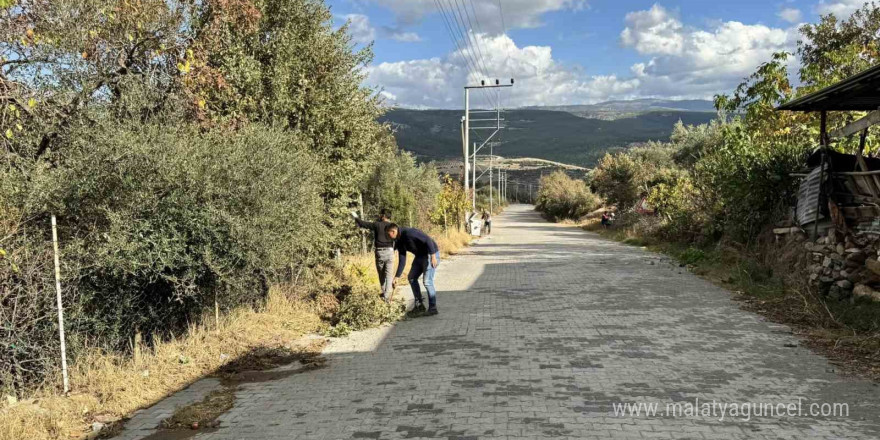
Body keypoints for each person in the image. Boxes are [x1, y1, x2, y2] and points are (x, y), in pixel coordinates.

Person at [387, 224, 440, 316]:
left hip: (430, 254)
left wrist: (433, 256)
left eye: (388, 235)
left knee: (427, 281)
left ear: (393, 232)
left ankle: (433, 308)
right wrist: (397, 276)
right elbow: (402, 258)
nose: (388, 238)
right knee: (411, 277)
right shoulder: (398, 240)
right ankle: (419, 305)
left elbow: (427, 239)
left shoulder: (409, 232)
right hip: (419, 256)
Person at [352, 209, 396, 302]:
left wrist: (355, 217)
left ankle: (385, 295)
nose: (379, 216)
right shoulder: (393, 226)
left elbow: (363, 224)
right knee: (389, 275)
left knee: (381, 275)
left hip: (380, 252)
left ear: (383, 216)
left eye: (381, 215)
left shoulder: (377, 224)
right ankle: (386, 297)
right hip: (390, 252)